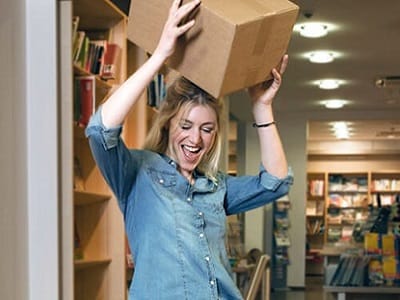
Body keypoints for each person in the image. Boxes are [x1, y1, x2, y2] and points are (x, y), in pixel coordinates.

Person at [85, 0, 293, 298]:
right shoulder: (136, 175)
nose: (196, 139)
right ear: (168, 124)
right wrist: (160, 55)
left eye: (206, 129)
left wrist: (262, 107)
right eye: (186, 125)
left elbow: (275, 182)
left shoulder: (216, 186)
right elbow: (100, 129)